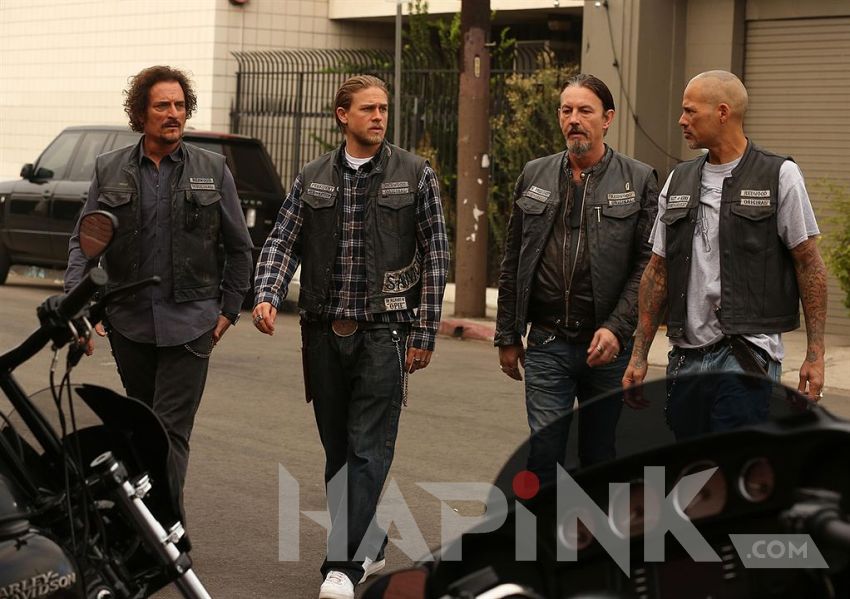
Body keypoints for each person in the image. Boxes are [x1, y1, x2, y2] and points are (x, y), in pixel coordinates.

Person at [252, 75, 449, 599]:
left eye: (384, 108)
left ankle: (342, 564)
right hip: (322, 332)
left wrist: (425, 329)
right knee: (338, 450)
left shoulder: (415, 174)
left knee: (368, 450)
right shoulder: (313, 176)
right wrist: (267, 292)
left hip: (385, 332)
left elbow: (436, 253)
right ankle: (371, 539)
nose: (379, 117)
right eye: (368, 109)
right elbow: (283, 240)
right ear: (343, 115)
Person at [65, 65, 253, 503]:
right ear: (140, 113)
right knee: (140, 427)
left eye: (180, 105)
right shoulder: (109, 169)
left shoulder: (213, 168)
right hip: (128, 323)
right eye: (163, 105)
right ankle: (147, 524)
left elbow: (240, 247)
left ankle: (166, 524)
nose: (174, 114)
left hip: (192, 323)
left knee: (170, 430)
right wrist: (78, 308)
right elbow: (85, 242)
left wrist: (228, 310)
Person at [622, 70, 828, 435]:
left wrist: (815, 355)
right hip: (686, 359)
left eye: (690, 111)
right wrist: (639, 354)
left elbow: (808, 263)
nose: (681, 120)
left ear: (722, 112)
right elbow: (658, 270)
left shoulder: (779, 175)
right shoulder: (678, 180)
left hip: (747, 356)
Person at [495, 74, 658, 484]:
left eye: (585, 111)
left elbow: (648, 266)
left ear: (608, 119)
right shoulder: (534, 174)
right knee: (545, 452)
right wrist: (508, 334)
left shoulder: (638, 179)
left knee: (598, 455)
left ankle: (592, 525)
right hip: (547, 341)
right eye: (566, 111)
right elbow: (513, 258)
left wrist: (618, 328)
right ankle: (545, 527)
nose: (574, 120)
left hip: (608, 349)